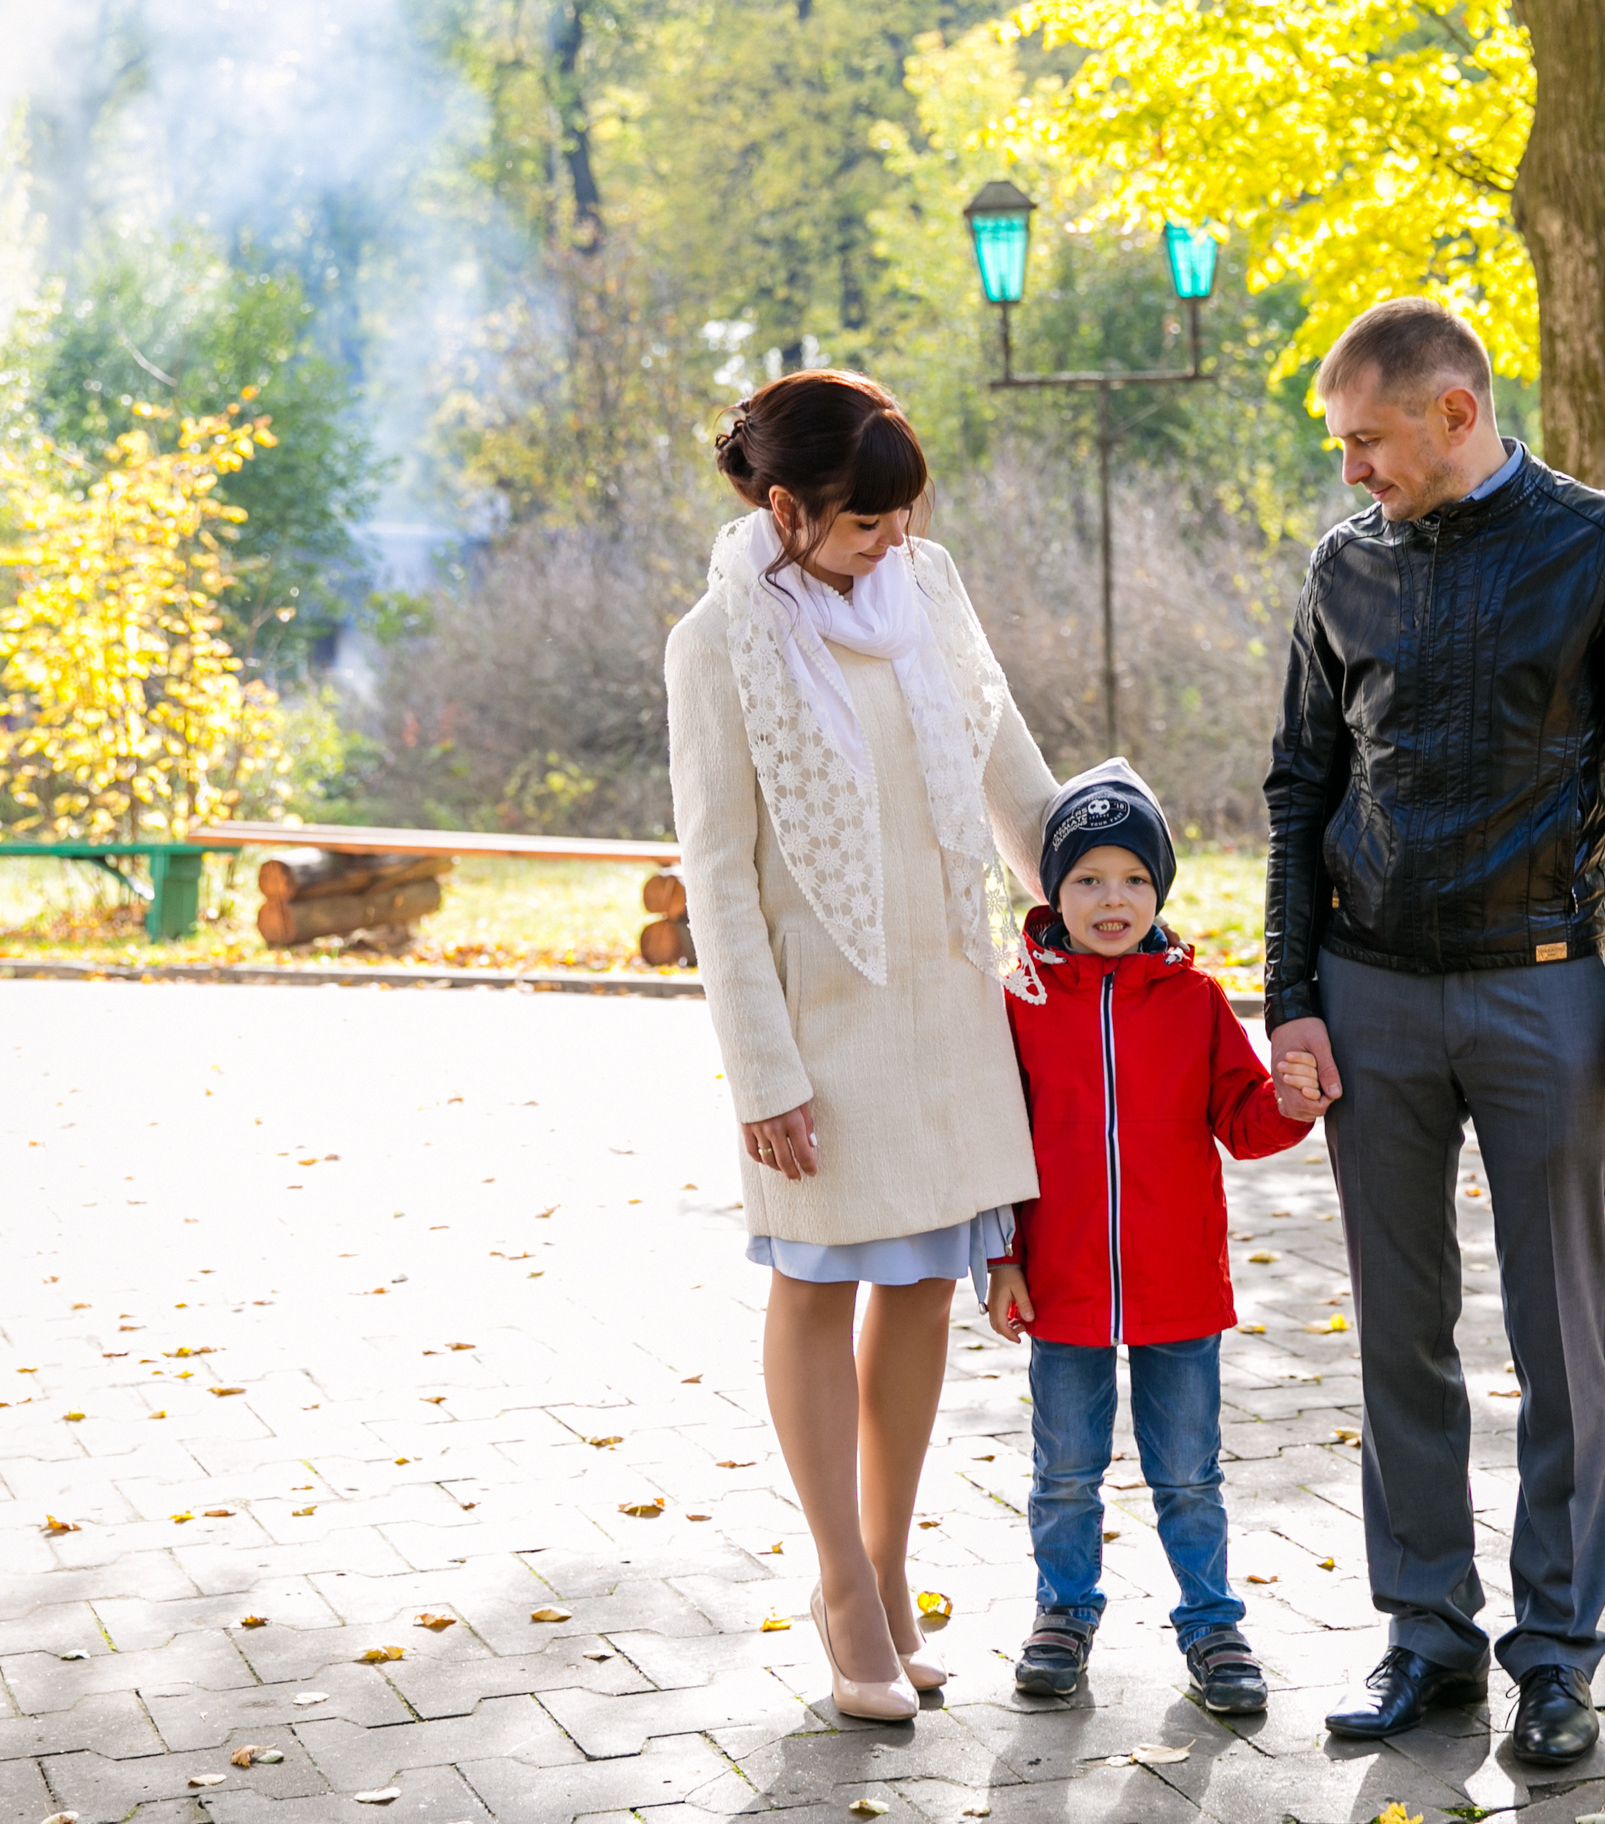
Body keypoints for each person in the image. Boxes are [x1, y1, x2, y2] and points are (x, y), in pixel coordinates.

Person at [1262, 299, 1605, 1764]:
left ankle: (1560, 1659)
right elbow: (1299, 792)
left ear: (1455, 412)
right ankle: (1427, 1642)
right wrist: (1292, 995)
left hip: (1542, 993)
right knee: (1401, 1332)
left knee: (1557, 1337)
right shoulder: (1344, 567)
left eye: (1369, 440)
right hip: (1371, 991)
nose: (1353, 472)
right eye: (1344, 446)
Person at [666, 370, 1060, 1722]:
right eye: (860, 525)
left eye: (902, 520)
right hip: (818, 1035)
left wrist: (1099, 883)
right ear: (784, 508)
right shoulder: (715, 648)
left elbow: (1009, 768)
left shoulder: (929, 593)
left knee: (924, 1284)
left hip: (948, 1010)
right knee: (820, 1285)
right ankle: (840, 1588)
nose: (890, 542)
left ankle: (892, 1576)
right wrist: (762, 1074)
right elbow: (718, 877)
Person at [983, 759, 1316, 1715]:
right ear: (1053, 890)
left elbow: (1244, 1123)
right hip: (1061, 1283)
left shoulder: (1195, 1001)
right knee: (1066, 1470)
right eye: (1087, 878)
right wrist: (1002, 1259)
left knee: (1187, 1472)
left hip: (1177, 1286)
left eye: (1133, 878)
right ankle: (1063, 1612)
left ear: (1160, 890)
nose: (1112, 898)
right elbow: (996, 1144)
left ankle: (1212, 1625)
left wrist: (1291, 1103)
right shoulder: (1021, 1003)